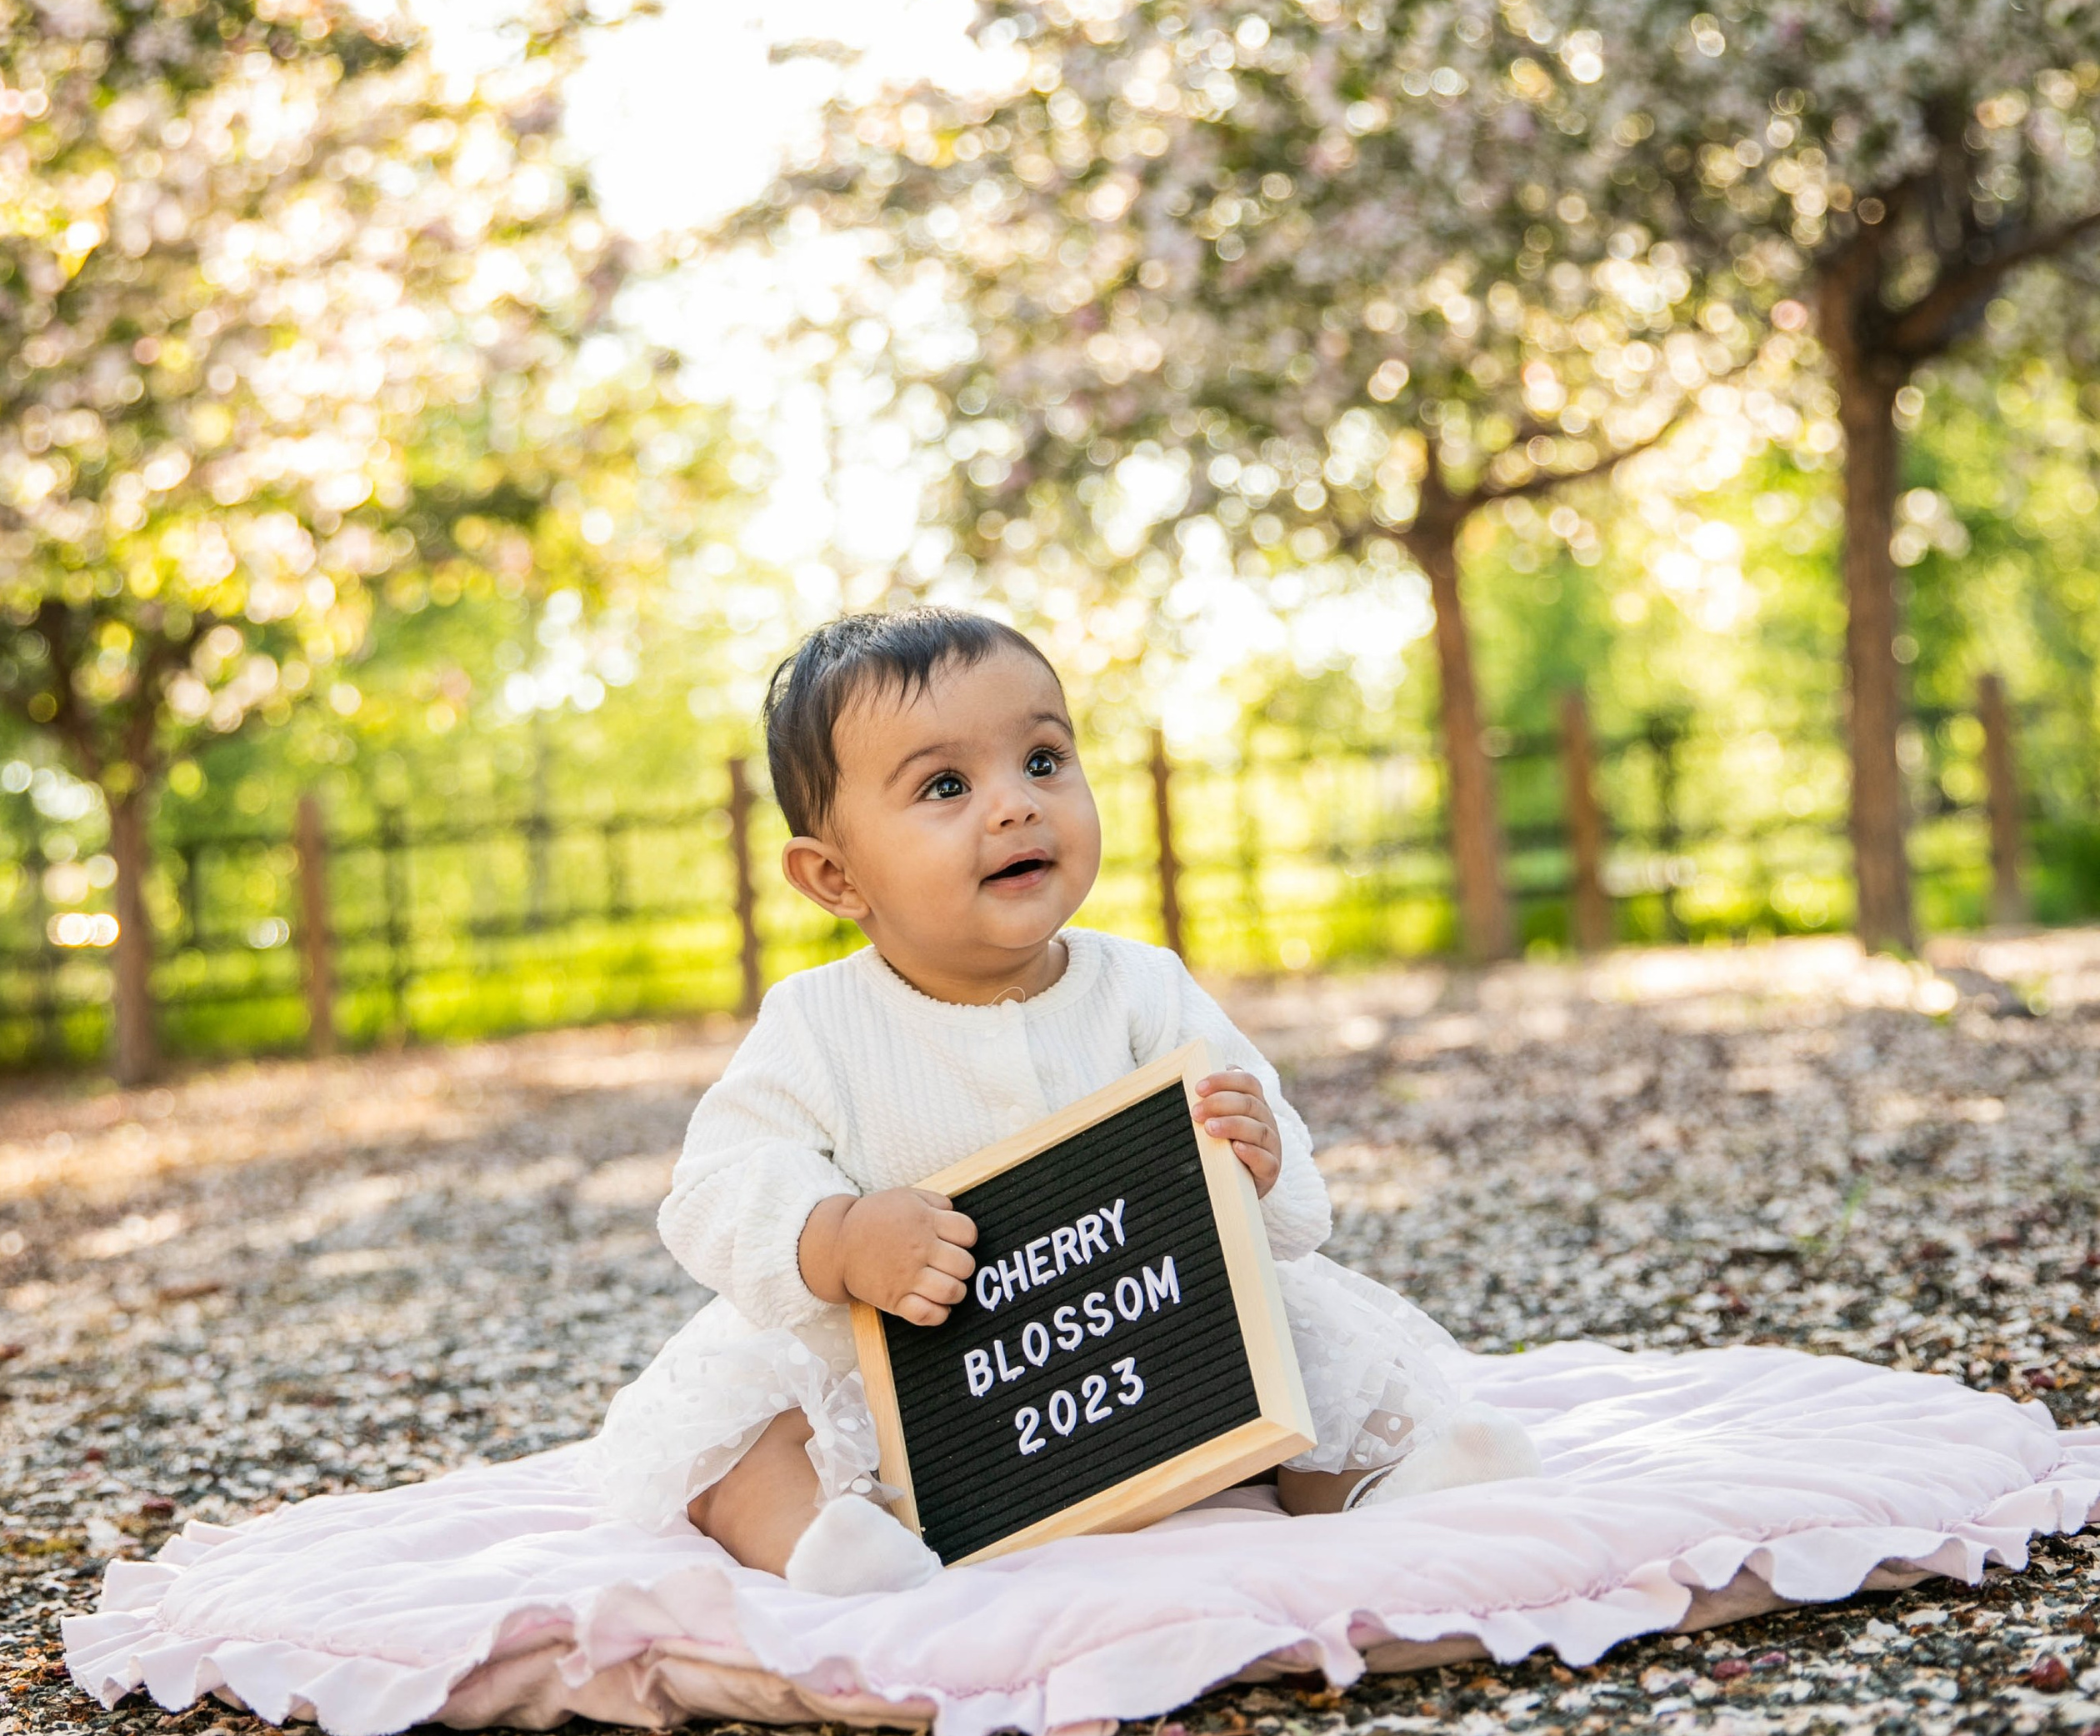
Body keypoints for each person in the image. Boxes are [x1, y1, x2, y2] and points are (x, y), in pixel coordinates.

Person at [593, 608, 1538, 1597]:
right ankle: (835, 1549)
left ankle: (1384, 1478)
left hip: (1148, 1347)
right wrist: (834, 1239)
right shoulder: (819, 1024)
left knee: (1311, 1363)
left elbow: (1275, 1170)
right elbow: (717, 1187)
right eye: (946, 786)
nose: (1013, 806)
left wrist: (1254, 1154)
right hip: (917, 1383)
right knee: (744, 1446)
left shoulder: (1140, 986)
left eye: (1043, 761)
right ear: (834, 876)